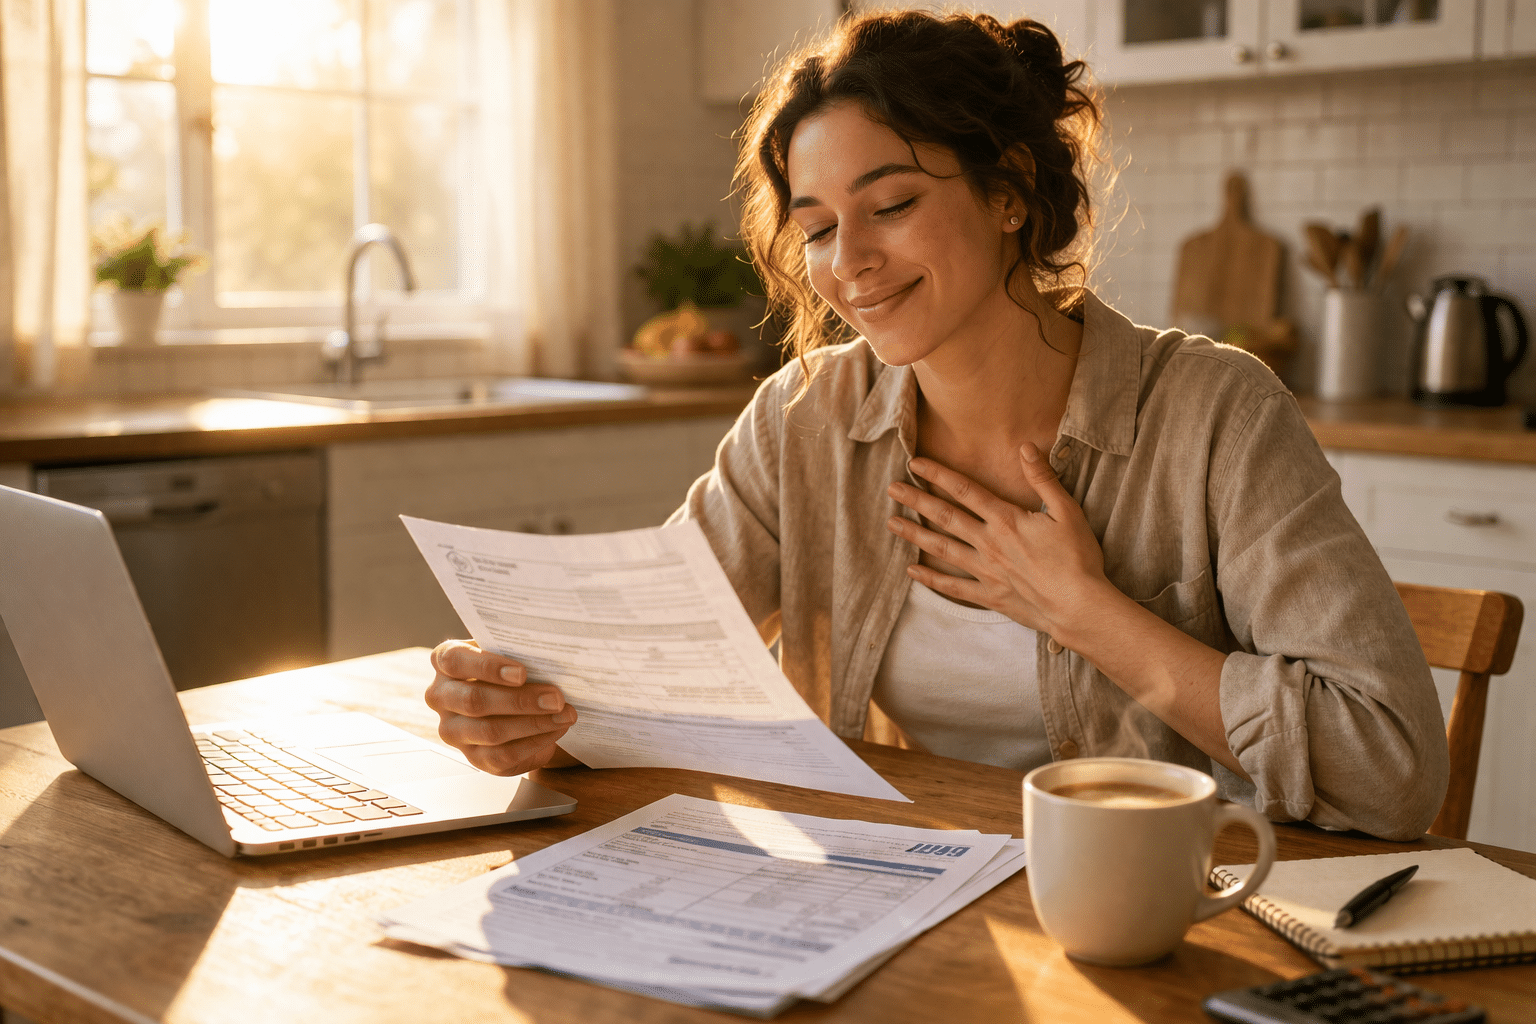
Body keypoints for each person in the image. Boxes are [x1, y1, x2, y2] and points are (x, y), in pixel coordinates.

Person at [426, 10, 1448, 840]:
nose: (849, 262)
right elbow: (648, 676)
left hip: (1165, 919)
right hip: (902, 892)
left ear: (1008, 192)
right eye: (818, 226)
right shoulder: (803, 419)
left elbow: (1394, 769)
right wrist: (536, 718)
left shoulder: (1217, 413)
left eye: (894, 202)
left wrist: (1085, 609)